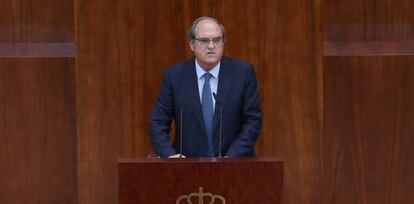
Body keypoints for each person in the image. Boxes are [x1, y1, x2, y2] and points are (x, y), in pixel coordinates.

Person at [149, 16, 262, 158]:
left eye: (217, 40)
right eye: (204, 40)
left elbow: (252, 120)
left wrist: (231, 158)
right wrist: (170, 156)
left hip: (234, 166)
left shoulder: (243, 73)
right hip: (187, 167)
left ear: (223, 42)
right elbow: (158, 122)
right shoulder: (174, 76)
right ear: (192, 44)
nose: (211, 46)